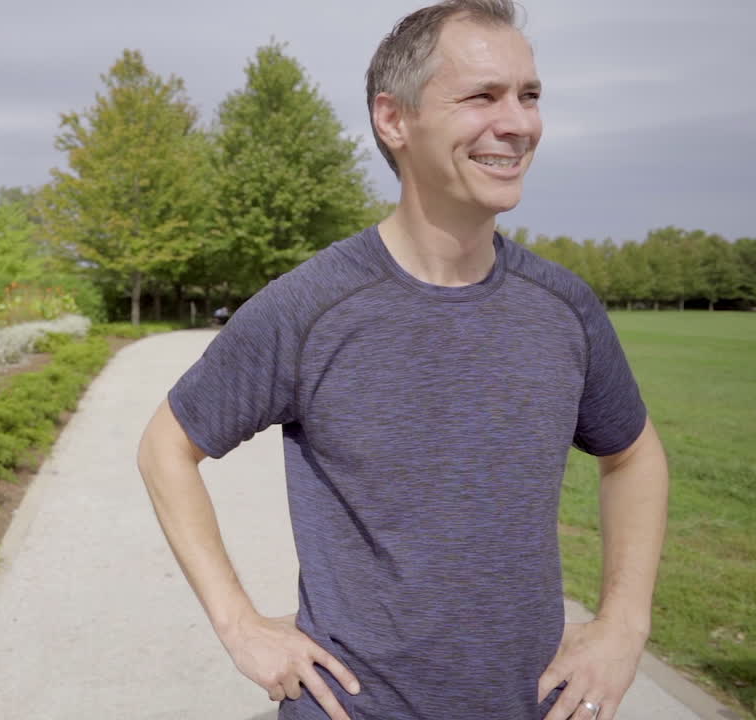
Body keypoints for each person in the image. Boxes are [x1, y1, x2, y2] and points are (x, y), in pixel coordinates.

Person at [135, 1, 669, 719]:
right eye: (482, 95)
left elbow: (633, 456)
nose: (519, 123)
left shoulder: (563, 307)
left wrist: (623, 627)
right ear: (395, 119)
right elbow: (165, 446)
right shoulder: (311, 307)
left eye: (529, 95)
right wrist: (240, 625)